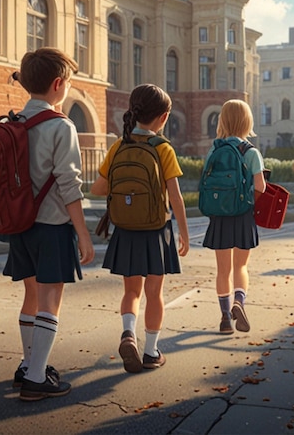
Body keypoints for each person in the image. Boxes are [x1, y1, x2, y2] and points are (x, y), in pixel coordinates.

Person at [2, 47, 95, 401]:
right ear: (58, 85)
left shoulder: (13, 123)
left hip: (20, 225)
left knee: (31, 295)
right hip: (53, 226)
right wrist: (83, 234)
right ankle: (37, 376)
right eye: (69, 83)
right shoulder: (61, 126)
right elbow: (69, 184)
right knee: (50, 299)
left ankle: (28, 366)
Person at [90, 84, 190, 373]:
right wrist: (183, 233)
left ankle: (127, 334)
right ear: (164, 117)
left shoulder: (119, 146)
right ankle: (151, 351)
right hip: (157, 230)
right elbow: (176, 197)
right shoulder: (162, 148)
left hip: (126, 230)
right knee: (154, 293)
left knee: (131, 291)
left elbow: (99, 187)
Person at [201, 99, 267, 335]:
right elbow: (260, 187)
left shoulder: (215, 149)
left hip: (219, 216)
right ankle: (239, 301)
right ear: (247, 121)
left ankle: (225, 318)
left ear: (223, 120)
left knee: (223, 270)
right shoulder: (251, 152)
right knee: (241, 266)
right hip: (242, 214)